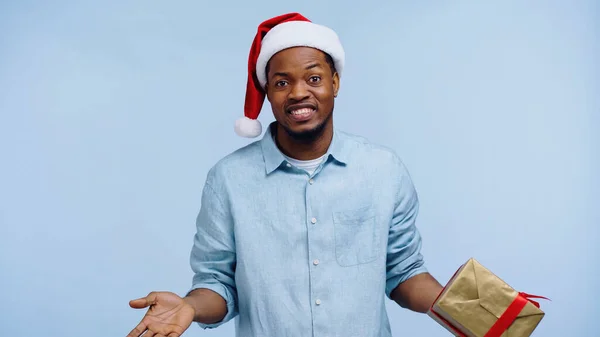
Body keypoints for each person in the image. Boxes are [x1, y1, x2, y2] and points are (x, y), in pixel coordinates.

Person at [126, 12, 444, 337]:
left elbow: (404, 272)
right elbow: (217, 283)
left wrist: (467, 309)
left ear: (335, 82)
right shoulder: (228, 180)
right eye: (281, 82)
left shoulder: (383, 171)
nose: (298, 93)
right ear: (267, 92)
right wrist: (190, 306)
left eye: (314, 78)